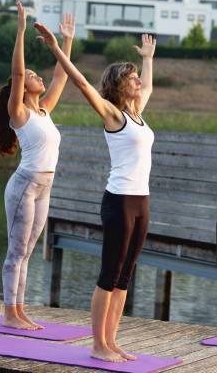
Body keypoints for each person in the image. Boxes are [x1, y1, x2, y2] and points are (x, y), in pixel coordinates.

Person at [34, 21, 156, 362]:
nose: (138, 82)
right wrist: (59, 48)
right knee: (109, 275)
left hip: (141, 202)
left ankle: (113, 341)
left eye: (137, 77)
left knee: (125, 277)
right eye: (132, 78)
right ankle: (98, 345)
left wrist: (148, 58)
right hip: (118, 202)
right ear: (119, 85)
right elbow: (83, 83)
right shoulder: (113, 115)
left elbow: (149, 87)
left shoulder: (138, 114)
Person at [0, 2, 74, 330]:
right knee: (16, 249)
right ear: (23, 89)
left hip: (44, 188)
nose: (36, 77)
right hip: (25, 185)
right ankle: (9, 313)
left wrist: (66, 41)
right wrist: (22, 31)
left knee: (27, 252)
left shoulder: (43, 111)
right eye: (32, 77)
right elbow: (18, 73)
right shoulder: (19, 113)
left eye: (38, 76)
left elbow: (60, 74)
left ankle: (19, 310)